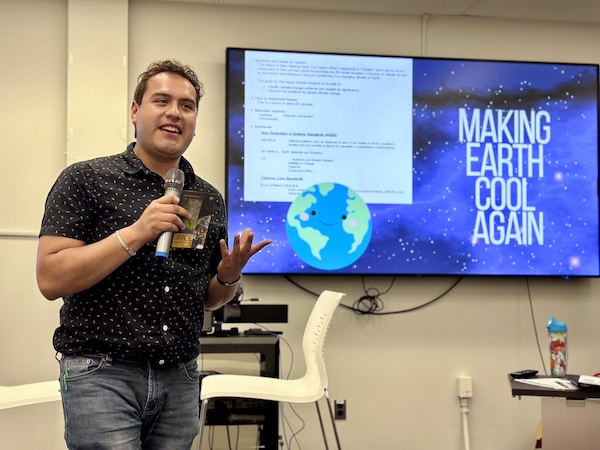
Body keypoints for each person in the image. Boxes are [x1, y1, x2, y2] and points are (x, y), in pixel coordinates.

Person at [36, 59, 271, 450]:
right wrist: (137, 233)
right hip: (101, 374)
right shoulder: (87, 179)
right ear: (135, 110)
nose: (175, 112)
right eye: (161, 100)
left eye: (187, 105)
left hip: (180, 377)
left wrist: (228, 276)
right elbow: (50, 278)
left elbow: (209, 298)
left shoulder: (205, 196)